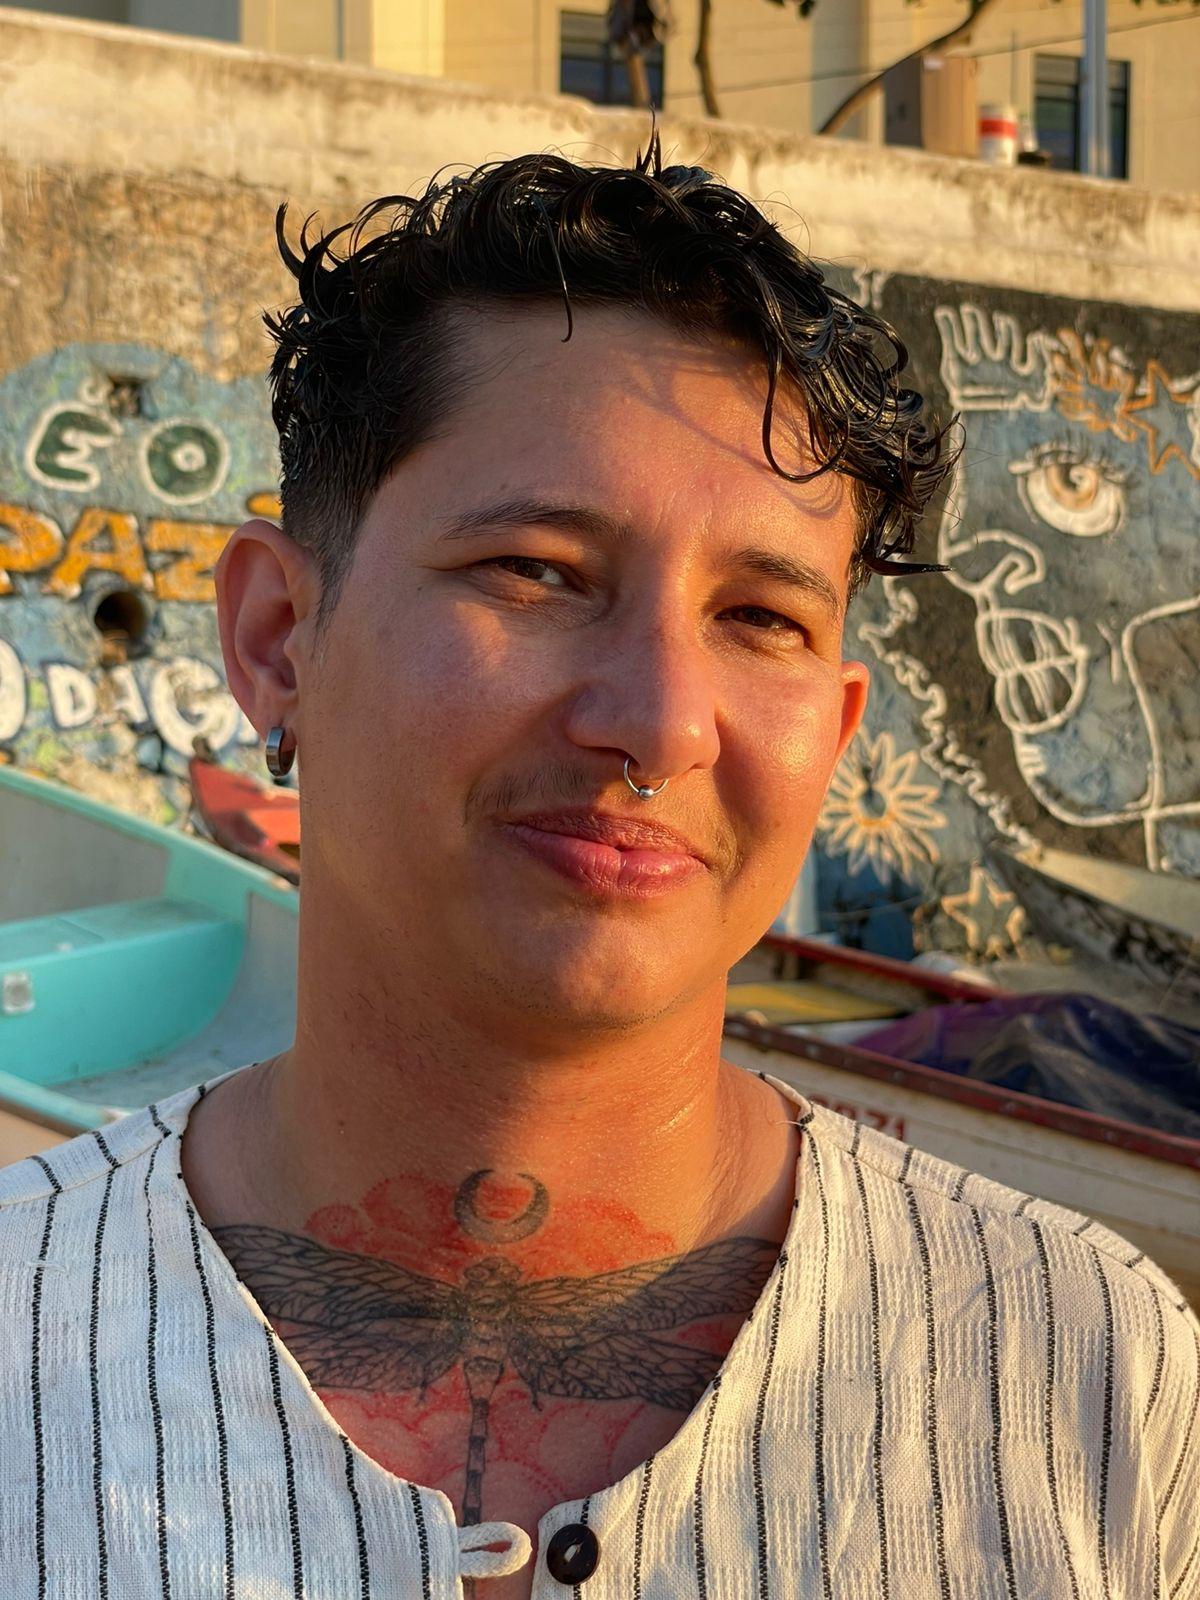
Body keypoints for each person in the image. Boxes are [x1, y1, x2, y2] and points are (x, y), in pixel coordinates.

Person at [1, 137, 1196, 1600]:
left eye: (762, 617)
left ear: (831, 732)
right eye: (537, 572)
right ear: (273, 642)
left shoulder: (1085, 1372)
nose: (659, 721)